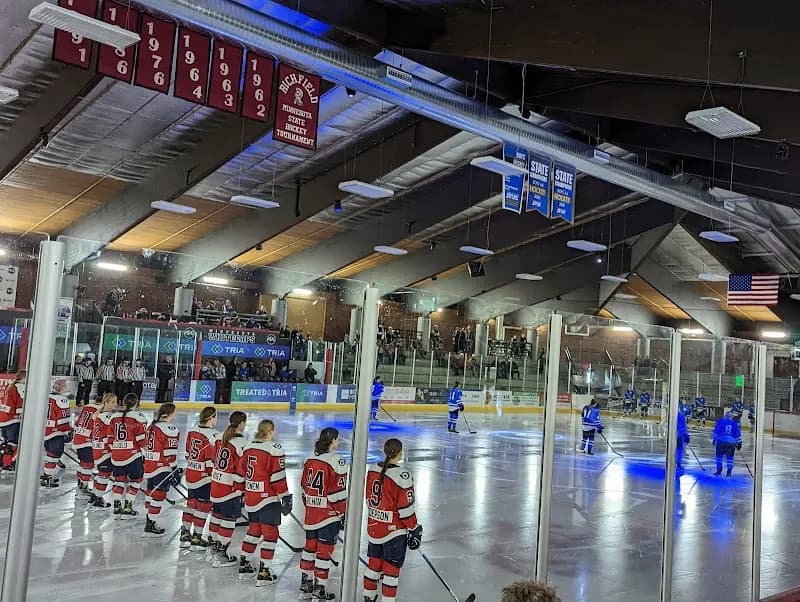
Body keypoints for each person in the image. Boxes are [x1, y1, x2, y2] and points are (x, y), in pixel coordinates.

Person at [363, 438, 421, 602]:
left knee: (373, 566)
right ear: (400, 453)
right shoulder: (402, 475)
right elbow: (405, 510)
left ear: (384, 450)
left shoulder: (373, 469)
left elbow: (368, 497)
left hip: (374, 527)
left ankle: (368, 598)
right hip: (394, 532)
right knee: (391, 572)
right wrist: (414, 528)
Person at [240, 420, 293, 586]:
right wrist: (285, 496)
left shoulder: (248, 447)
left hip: (251, 496)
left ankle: (244, 564)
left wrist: (242, 490)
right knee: (270, 534)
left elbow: (241, 470)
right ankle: (264, 573)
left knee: (254, 530)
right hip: (267, 498)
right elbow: (277, 477)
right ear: (271, 431)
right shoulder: (273, 449)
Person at [300, 427, 347, 599]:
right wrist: (343, 514)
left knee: (309, 548)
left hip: (311, 514)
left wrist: (310, 506)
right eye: (338, 439)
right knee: (323, 553)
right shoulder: (337, 460)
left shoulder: (309, 458)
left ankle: (305, 584)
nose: (338, 442)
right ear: (333, 440)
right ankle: (319, 589)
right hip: (328, 517)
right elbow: (338, 493)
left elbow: (304, 486)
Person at [209, 411, 247, 567]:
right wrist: (241, 489)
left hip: (216, 484)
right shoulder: (241, 443)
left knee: (216, 515)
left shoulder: (219, 437)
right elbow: (241, 470)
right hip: (229, 488)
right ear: (242, 424)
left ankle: (214, 544)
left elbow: (212, 458)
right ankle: (222, 553)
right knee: (228, 520)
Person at [182, 406, 219, 549]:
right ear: (210, 417)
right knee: (203, 507)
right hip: (204, 478)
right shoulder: (214, 435)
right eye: (215, 416)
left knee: (191, 504)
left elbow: (186, 453)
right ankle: (197, 537)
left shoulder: (192, 431)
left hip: (191, 473)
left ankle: (185, 533)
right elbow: (211, 461)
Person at [108, 394, 148, 517]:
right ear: (136, 403)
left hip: (116, 456)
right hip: (132, 456)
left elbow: (109, 439)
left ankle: (116, 505)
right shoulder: (138, 417)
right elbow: (142, 439)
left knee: (119, 480)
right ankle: (128, 506)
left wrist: (116, 450)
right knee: (136, 480)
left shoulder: (114, 417)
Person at [143, 403, 181, 536]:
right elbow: (169, 452)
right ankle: (150, 523)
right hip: (162, 466)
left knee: (150, 492)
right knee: (158, 495)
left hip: (150, 464)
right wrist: (174, 468)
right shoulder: (170, 428)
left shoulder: (152, 426)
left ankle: (149, 517)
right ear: (170, 413)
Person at [88, 393, 118, 508]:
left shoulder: (99, 414)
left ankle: (95, 495)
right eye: (112, 402)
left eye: (115, 402)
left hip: (97, 448)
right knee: (104, 474)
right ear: (105, 402)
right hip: (104, 450)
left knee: (101, 474)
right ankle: (98, 499)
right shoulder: (108, 417)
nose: (115, 404)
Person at [41, 389, 73, 488]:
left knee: (49, 454)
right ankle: (48, 478)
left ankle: (47, 475)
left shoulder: (44, 397)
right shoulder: (62, 400)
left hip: (44, 430)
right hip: (56, 431)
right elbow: (63, 420)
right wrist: (68, 430)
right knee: (54, 455)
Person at [73, 393, 103, 494]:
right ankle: (84, 485)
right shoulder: (99, 411)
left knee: (82, 462)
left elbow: (77, 423)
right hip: (87, 441)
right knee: (89, 464)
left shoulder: (86, 407)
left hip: (78, 437)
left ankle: (80, 482)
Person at [0, 370, 25, 470]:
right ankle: (7, 463)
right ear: (24, 378)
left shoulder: (10, 386)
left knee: (6, 443)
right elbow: (20, 404)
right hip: (12, 420)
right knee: (12, 443)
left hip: (3, 419)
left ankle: (3, 462)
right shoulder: (20, 388)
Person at [712, 411, 742, 477]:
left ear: (725, 416)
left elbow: (715, 432)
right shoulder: (735, 424)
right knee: (730, 458)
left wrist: (714, 440)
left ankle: (718, 471)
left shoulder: (720, 422)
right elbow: (738, 435)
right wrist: (739, 444)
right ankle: (729, 472)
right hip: (731, 443)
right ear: (731, 417)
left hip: (721, 442)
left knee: (719, 457)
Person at [676, 407, 690, 471]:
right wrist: (686, 435)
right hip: (679, 435)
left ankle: (672, 463)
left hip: (673, 435)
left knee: (674, 450)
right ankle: (678, 464)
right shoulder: (681, 416)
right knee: (679, 450)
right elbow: (682, 427)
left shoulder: (672, 415)